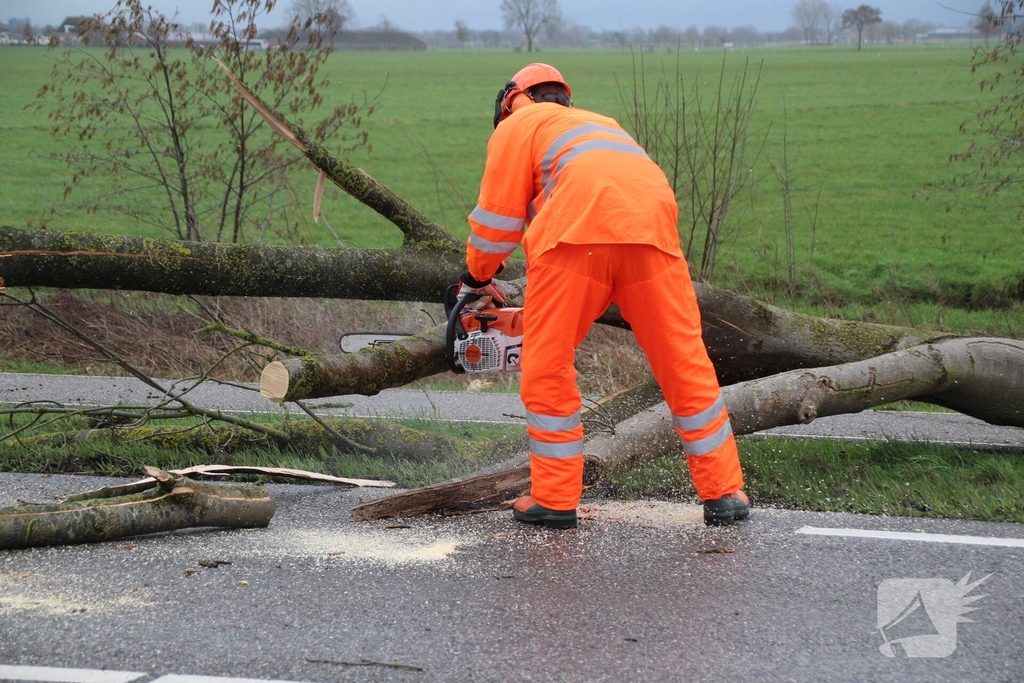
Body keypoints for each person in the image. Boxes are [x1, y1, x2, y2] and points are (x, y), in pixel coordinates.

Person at [458, 63, 748, 529]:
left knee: (548, 362)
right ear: (563, 98)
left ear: (512, 98)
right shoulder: (602, 124)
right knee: (684, 361)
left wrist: (474, 281)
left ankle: (554, 498)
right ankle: (725, 492)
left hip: (576, 239)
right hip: (653, 238)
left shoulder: (518, 125)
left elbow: (496, 227)